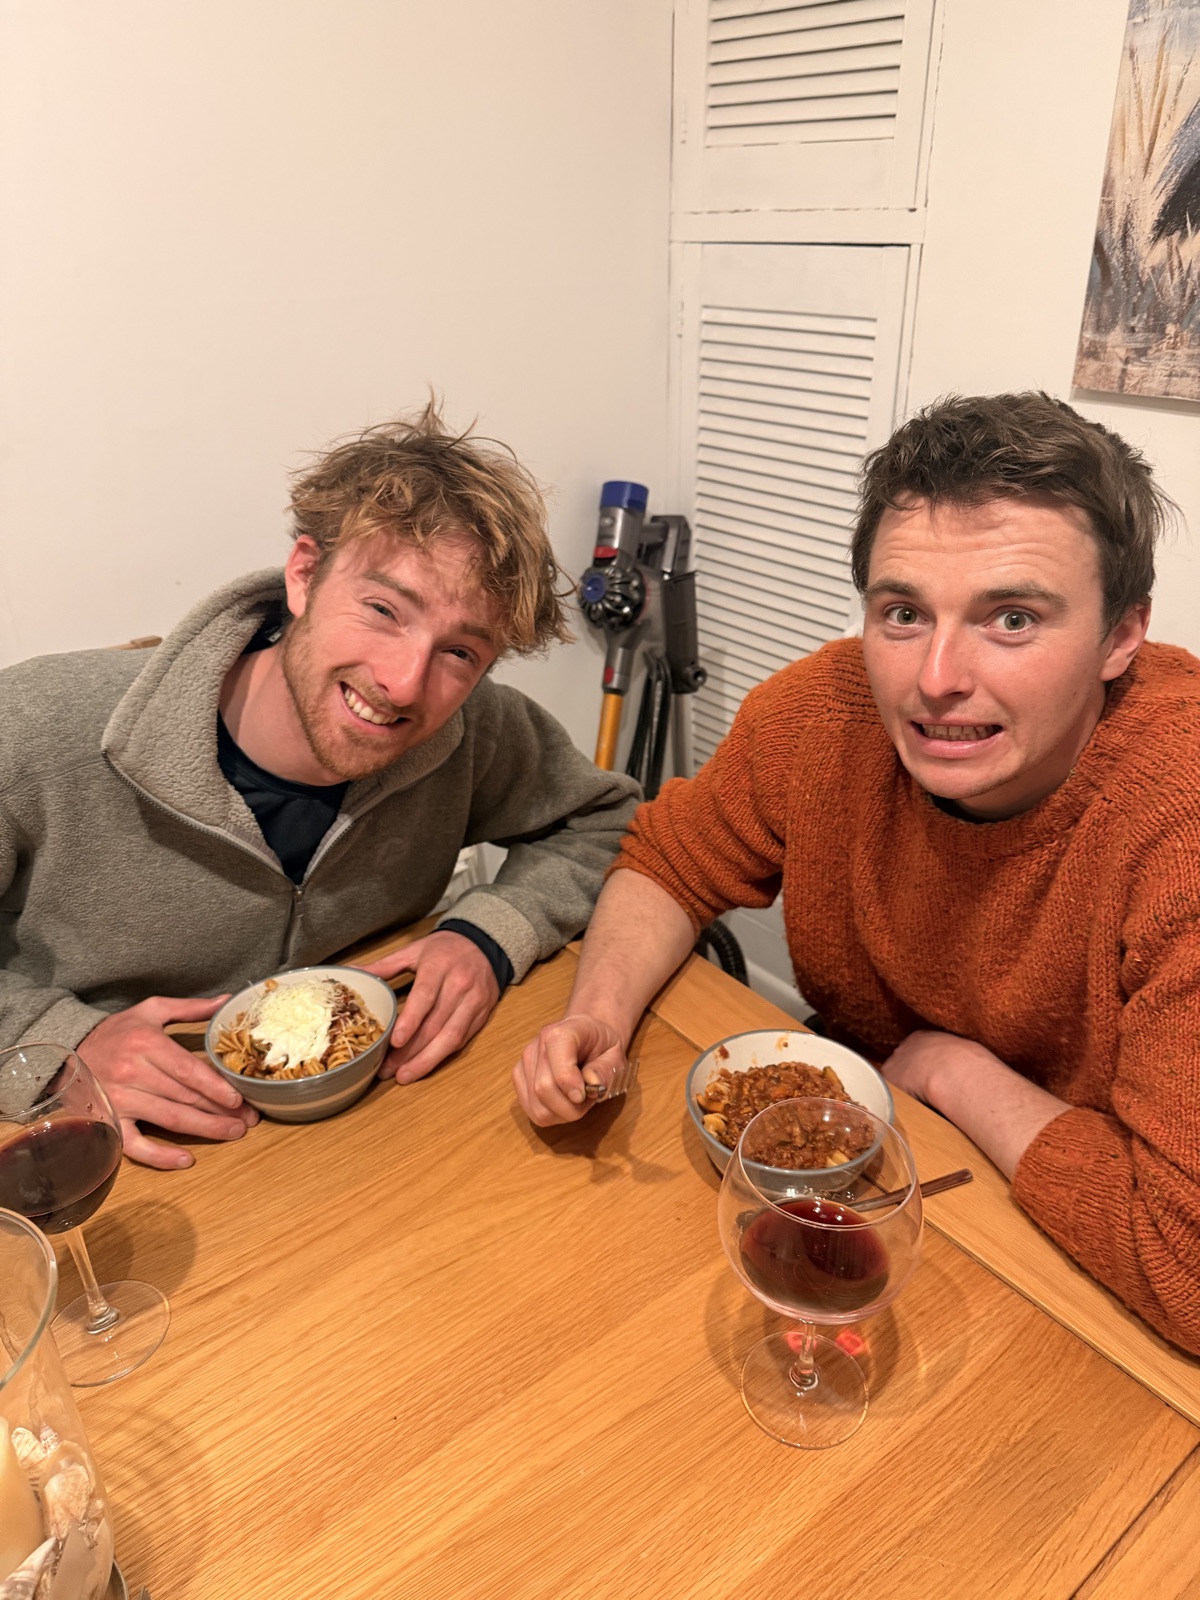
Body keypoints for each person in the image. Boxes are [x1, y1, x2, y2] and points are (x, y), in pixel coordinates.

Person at [514, 392, 1200, 1355]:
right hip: (866, 1183)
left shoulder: (1179, 816)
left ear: (1121, 636)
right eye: (904, 613)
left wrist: (954, 1070)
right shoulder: (817, 715)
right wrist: (597, 1014)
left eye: (1011, 618)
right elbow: (670, 862)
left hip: (1073, 1269)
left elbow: (1184, 1263)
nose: (936, 678)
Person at [0, 403, 639, 1168]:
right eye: (383, 610)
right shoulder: (32, 727)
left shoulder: (476, 729)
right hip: (94, 1148)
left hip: (371, 1140)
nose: (404, 683)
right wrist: (60, 1042)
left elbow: (606, 821)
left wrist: (489, 934)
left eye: (460, 653)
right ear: (304, 574)